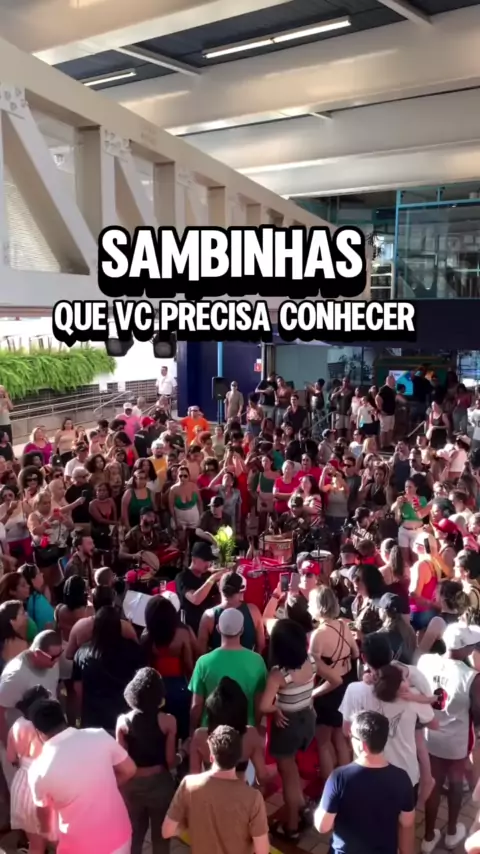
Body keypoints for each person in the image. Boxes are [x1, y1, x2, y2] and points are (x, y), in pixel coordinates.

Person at [260, 618, 335, 840]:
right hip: (307, 719)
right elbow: (336, 679)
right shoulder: (312, 661)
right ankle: (301, 805)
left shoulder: (278, 674)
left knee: (288, 775)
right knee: (292, 768)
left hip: (287, 725)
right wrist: (312, 694)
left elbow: (264, 705)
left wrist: (275, 709)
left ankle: (291, 826)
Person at [29, 698, 135, 854]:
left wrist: (49, 834)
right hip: (120, 836)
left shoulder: (38, 770)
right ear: (64, 717)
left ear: (38, 733)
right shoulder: (99, 736)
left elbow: (44, 815)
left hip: (77, 846)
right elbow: (130, 769)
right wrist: (104, 785)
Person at [314, 710, 415, 854]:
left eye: (351, 736)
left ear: (362, 745)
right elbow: (407, 823)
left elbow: (323, 826)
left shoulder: (340, 778)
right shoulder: (402, 779)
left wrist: (318, 811)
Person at [417, 623, 480, 852]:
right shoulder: (471, 677)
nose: (473, 649)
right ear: (463, 649)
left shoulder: (426, 661)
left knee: (432, 784)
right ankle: (452, 832)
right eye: (471, 646)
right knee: (455, 783)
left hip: (430, 735)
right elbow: (478, 712)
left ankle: (428, 836)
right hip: (457, 740)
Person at [162, 725, 270, 854]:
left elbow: (167, 831)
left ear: (211, 757)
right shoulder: (253, 798)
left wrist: (191, 826)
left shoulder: (188, 784)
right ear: (238, 758)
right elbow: (262, 850)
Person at [116, 668, 177, 854]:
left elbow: (121, 761)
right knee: (161, 837)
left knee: (134, 835)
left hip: (132, 784)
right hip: (159, 784)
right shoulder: (168, 721)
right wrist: (182, 754)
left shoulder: (123, 722)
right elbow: (170, 761)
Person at [189, 609, 267, 733]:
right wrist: (255, 731)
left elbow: (196, 706)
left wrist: (193, 729)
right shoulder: (257, 661)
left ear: (218, 629)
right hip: (244, 731)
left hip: (210, 732)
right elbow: (259, 705)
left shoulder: (203, 662)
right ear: (241, 630)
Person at [72, 606, 145, 733]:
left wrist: (78, 719)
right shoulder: (135, 651)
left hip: (93, 722)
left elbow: (78, 691)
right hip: (124, 721)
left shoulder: (82, 653)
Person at [189, 677, 269, 783]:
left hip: (211, 791)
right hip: (240, 791)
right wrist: (278, 769)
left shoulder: (200, 736)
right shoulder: (251, 734)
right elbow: (262, 777)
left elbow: (194, 777)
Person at [7, 685, 55, 854]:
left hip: (21, 785)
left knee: (35, 844)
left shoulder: (17, 725)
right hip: (43, 785)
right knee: (58, 841)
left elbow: (11, 757)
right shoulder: (47, 727)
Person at [0, 630, 62, 744]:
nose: (57, 660)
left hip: (51, 737)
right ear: (37, 653)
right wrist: (8, 745)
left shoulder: (52, 663)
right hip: (25, 742)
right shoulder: (15, 675)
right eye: (53, 657)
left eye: (60, 654)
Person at [198, 571, 265, 655]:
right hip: (247, 662)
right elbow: (261, 645)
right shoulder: (253, 611)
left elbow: (201, 651)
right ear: (240, 589)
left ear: (219, 587)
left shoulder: (209, 616)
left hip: (219, 663)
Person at [175, 542, 223, 635]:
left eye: (209, 560)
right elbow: (195, 599)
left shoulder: (206, 575)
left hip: (211, 623)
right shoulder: (182, 577)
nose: (208, 564)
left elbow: (218, 597)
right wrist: (212, 579)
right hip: (193, 628)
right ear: (194, 559)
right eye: (205, 560)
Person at [375, 375, 397, 449]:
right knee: (384, 430)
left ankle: (388, 444)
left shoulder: (392, 390)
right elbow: (377, 398)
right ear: (389, 380)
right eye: (393, 380)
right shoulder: (384, 389)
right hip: (385, 414)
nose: (394, 382)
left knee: (390, 429)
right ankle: (383, 445)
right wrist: (381, 410)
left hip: (391, 413)